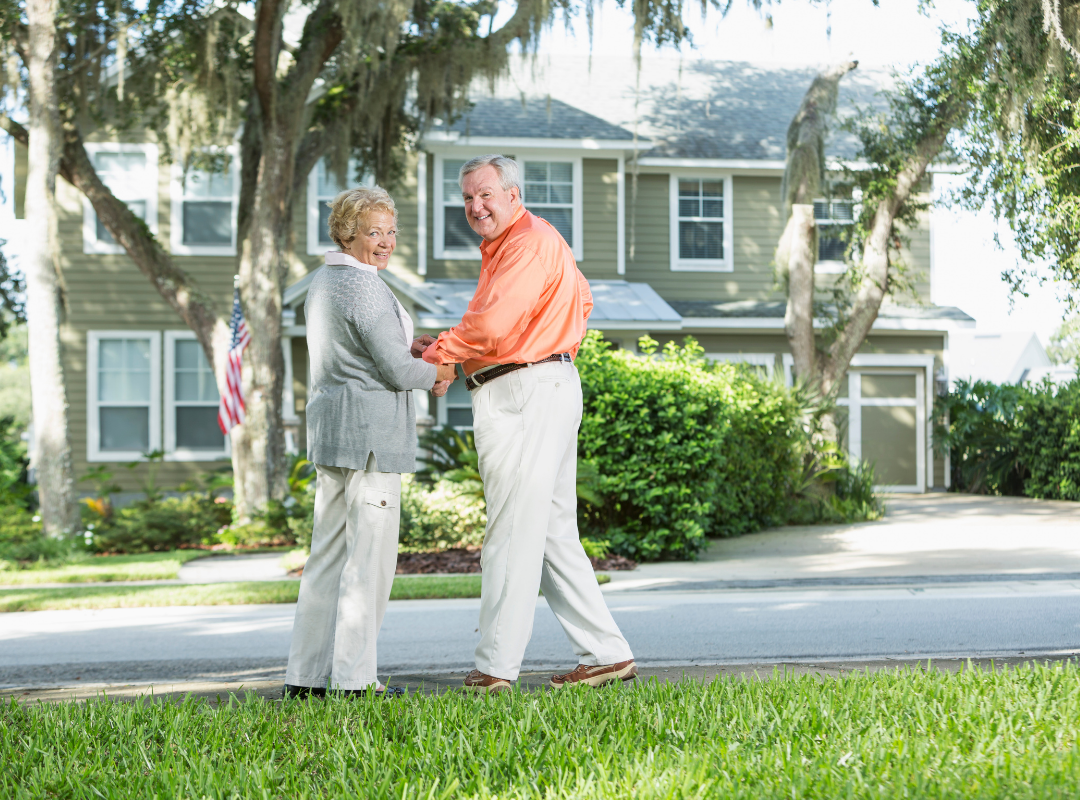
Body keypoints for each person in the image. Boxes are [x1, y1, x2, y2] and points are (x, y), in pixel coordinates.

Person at [413, 155, 636, 693]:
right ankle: (606, 653)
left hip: (524, 393)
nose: (475, 206)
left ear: (513, 193)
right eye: (467, 197)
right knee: (553, 533)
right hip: (543, 385)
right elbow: (576, 301)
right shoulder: (528, 242)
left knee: (511, 530)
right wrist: (455, 352)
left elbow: (491, 324)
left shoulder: (526, 242)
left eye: (485, 194)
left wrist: (441, 355)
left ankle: (495, 668)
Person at [284, 186, 456, 699]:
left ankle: (306, 678)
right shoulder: (362, 286)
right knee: (369, 562)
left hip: (336, 435)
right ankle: (355, 682)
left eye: (391, 231)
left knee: (327, 559)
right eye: (374, 232)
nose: (385, 242)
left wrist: (414, 350)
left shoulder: (327, 280)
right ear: (347, 232)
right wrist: (443, 368)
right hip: (371, 441)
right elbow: (399, 370)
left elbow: (369, 351)